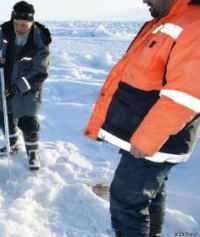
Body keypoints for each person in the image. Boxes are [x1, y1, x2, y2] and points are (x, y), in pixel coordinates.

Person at [84, 0, 200, 236]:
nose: (143, 0)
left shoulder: (194, 24)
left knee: (127, 200)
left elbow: (187, 93)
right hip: (145, 132)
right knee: (150, 193)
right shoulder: (167, 20)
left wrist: (148, 138)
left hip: (156, 138)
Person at [0, 1, 51, 171]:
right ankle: (12, 145)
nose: (19, 28)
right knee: (4, 117)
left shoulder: (40, 40)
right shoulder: (6, 30)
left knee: (28, 121)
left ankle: (33, 154)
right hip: (4, 83)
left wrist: (18, 87)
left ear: (32, 22)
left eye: (24, 25)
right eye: (16, 23)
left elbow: (40, 71)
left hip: (27, 90)